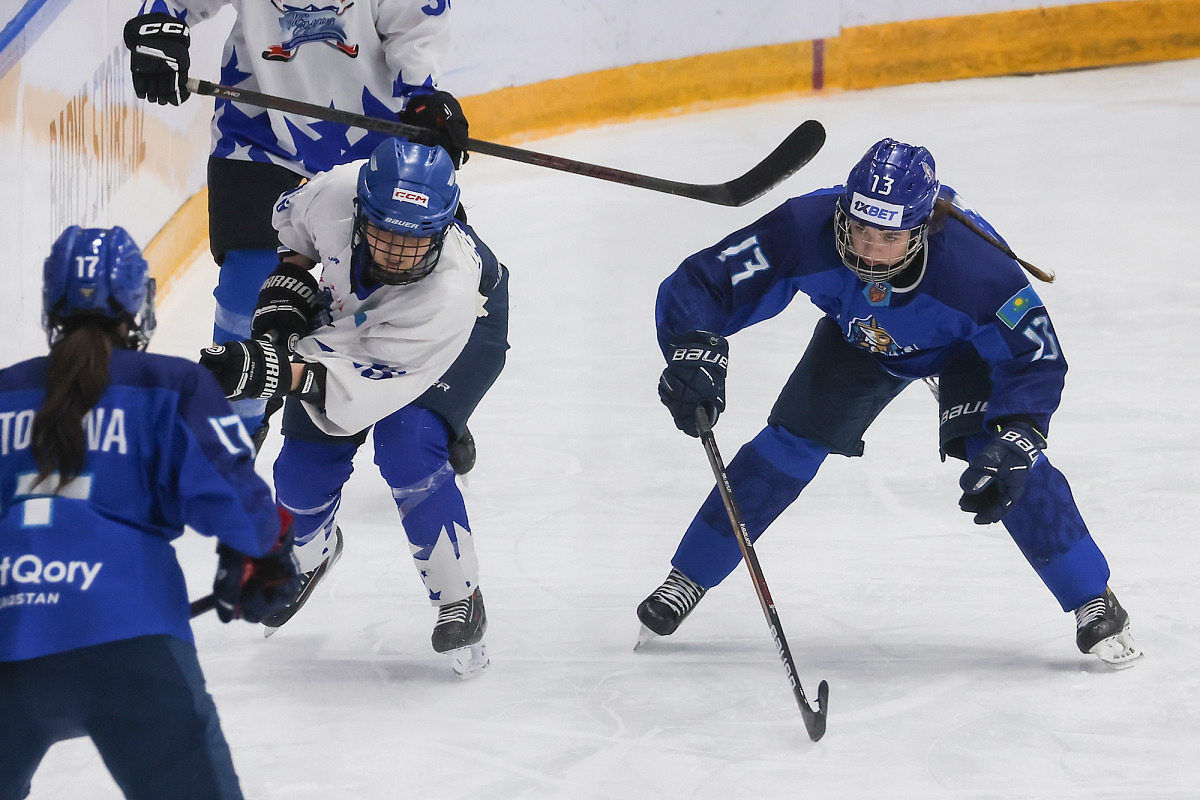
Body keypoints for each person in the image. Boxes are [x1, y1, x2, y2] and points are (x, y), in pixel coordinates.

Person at [636, 138, 1142, 669]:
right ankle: (687, 577)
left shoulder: (979, 272)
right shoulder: (804, 227)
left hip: (965, 352)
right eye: (859, 229)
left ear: (922, 228)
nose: (869, 250)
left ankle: (1092, 597)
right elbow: (704, 282)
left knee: (1002, 461)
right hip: (863, 340)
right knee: (788, 443)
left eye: (889, 237)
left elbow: (1035, 357)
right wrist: (692, 348)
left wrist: (1019, 434)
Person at [0, 227, 302, 800]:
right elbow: (244, 510)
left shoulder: (4, 394)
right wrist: (263, 556)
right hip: (130, 639)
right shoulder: (172, 385)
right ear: (139, 304)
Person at [198, 137, 510, 678]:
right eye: (384, 235)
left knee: (409, 442)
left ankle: (460, 595)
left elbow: (355, 390)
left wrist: (266, 371)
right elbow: (295, 236)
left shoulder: (449, 293)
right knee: (303, 465)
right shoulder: (334, 193)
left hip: (454, 336)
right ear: (360, 210)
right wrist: (286, 295)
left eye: (415, 241)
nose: (396, 254)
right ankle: (310, 552)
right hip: (359, 319)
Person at [123, 0, 470, 438]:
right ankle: (229, 435)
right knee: (245, 290)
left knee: (404, 278)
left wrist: (422, 95)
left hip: (375, 136)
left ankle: (431, 401)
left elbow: (415, 23)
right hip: (259, 125)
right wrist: (160, 22)